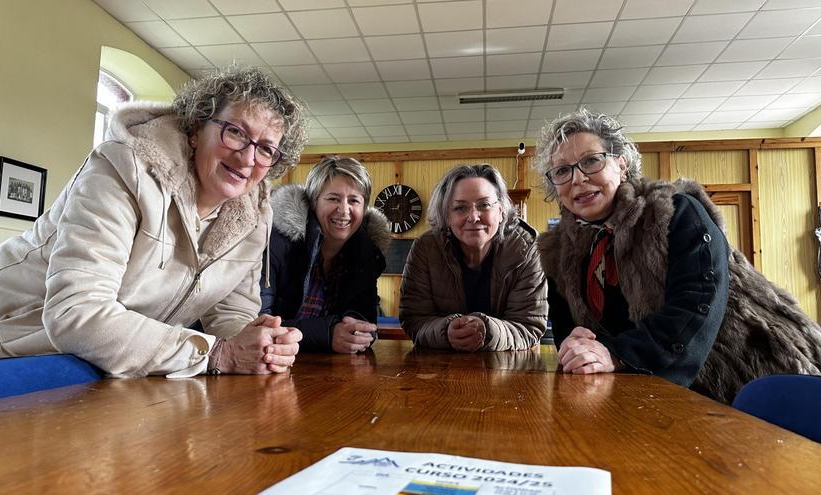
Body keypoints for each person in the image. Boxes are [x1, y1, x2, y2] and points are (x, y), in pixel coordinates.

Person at [0, 65, 309, 377]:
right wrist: (216, 354)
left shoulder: (254, 214)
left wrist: (260, 341)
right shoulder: (123, 168)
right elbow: (76, 312)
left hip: (88, 366)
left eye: (266, 149)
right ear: (197, 127)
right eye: (236, 133)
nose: (247, 158)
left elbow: (231, 313)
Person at [534, 108, 821, 403]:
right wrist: (576, 348)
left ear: (621, 164)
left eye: (591, 160)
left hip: (754, 382)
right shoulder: (557, 250)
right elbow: (570, 330)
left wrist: (617, 354)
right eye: (562, 171)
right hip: (645, 396)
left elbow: (693, 306)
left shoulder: (674, 212)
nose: (578, 179)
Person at [399, 164, 548, 351]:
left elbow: (529, 326)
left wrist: (486, 330)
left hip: (511, 368)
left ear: (501, 211)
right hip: (440, 368)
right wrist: (446, 331)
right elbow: (414, 320)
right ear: (447, 215)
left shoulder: (526, 249)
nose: (473, 217)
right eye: (460, 208)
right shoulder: (425, 248)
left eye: (484, 205)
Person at [260, 156, 390, 353]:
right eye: (333, 199)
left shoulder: (366, 253)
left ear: (364, 209)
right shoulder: (276, 241)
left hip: (330, 371)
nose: (344, 210)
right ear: (314, 203)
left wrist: (357, 334)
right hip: (267, 364)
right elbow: (257, 324)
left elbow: (364, 319)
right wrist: (327, 334)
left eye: (354, 200)